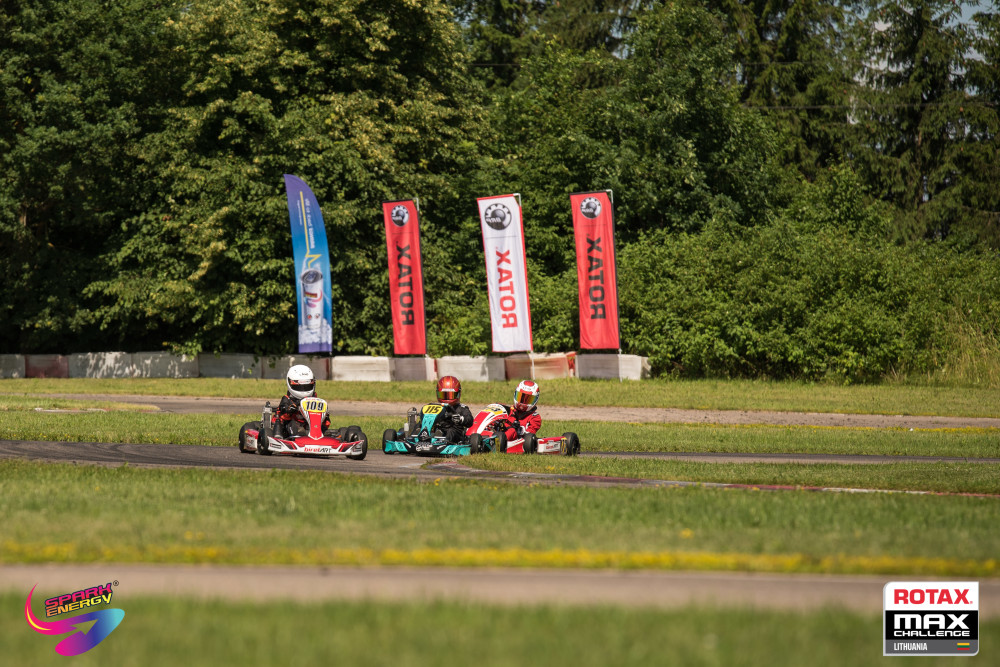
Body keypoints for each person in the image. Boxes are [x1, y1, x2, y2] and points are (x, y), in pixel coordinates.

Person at [274, 365, 330, 438]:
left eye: (307, 386)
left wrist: (325, 414)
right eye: (299, 387)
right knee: (295, 427)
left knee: (327, 426)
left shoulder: (314, 398)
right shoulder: (287, 399)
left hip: (311, 424)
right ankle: (294, 438)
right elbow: (283, 410)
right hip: (290, 424)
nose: (303, 390)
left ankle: (320, 436)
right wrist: (290, 409)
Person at [433, 375, 474, 442]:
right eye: (444, 395)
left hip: (456, 433)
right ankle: (419, 437)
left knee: (451, 431)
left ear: (458, 394)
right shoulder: (437, 407)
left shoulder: (461, 408)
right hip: (440, 429)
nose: (447, 398)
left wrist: (461, 419)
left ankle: (445, 442)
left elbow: (470, 420)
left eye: (450, 395)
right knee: (423, 426)